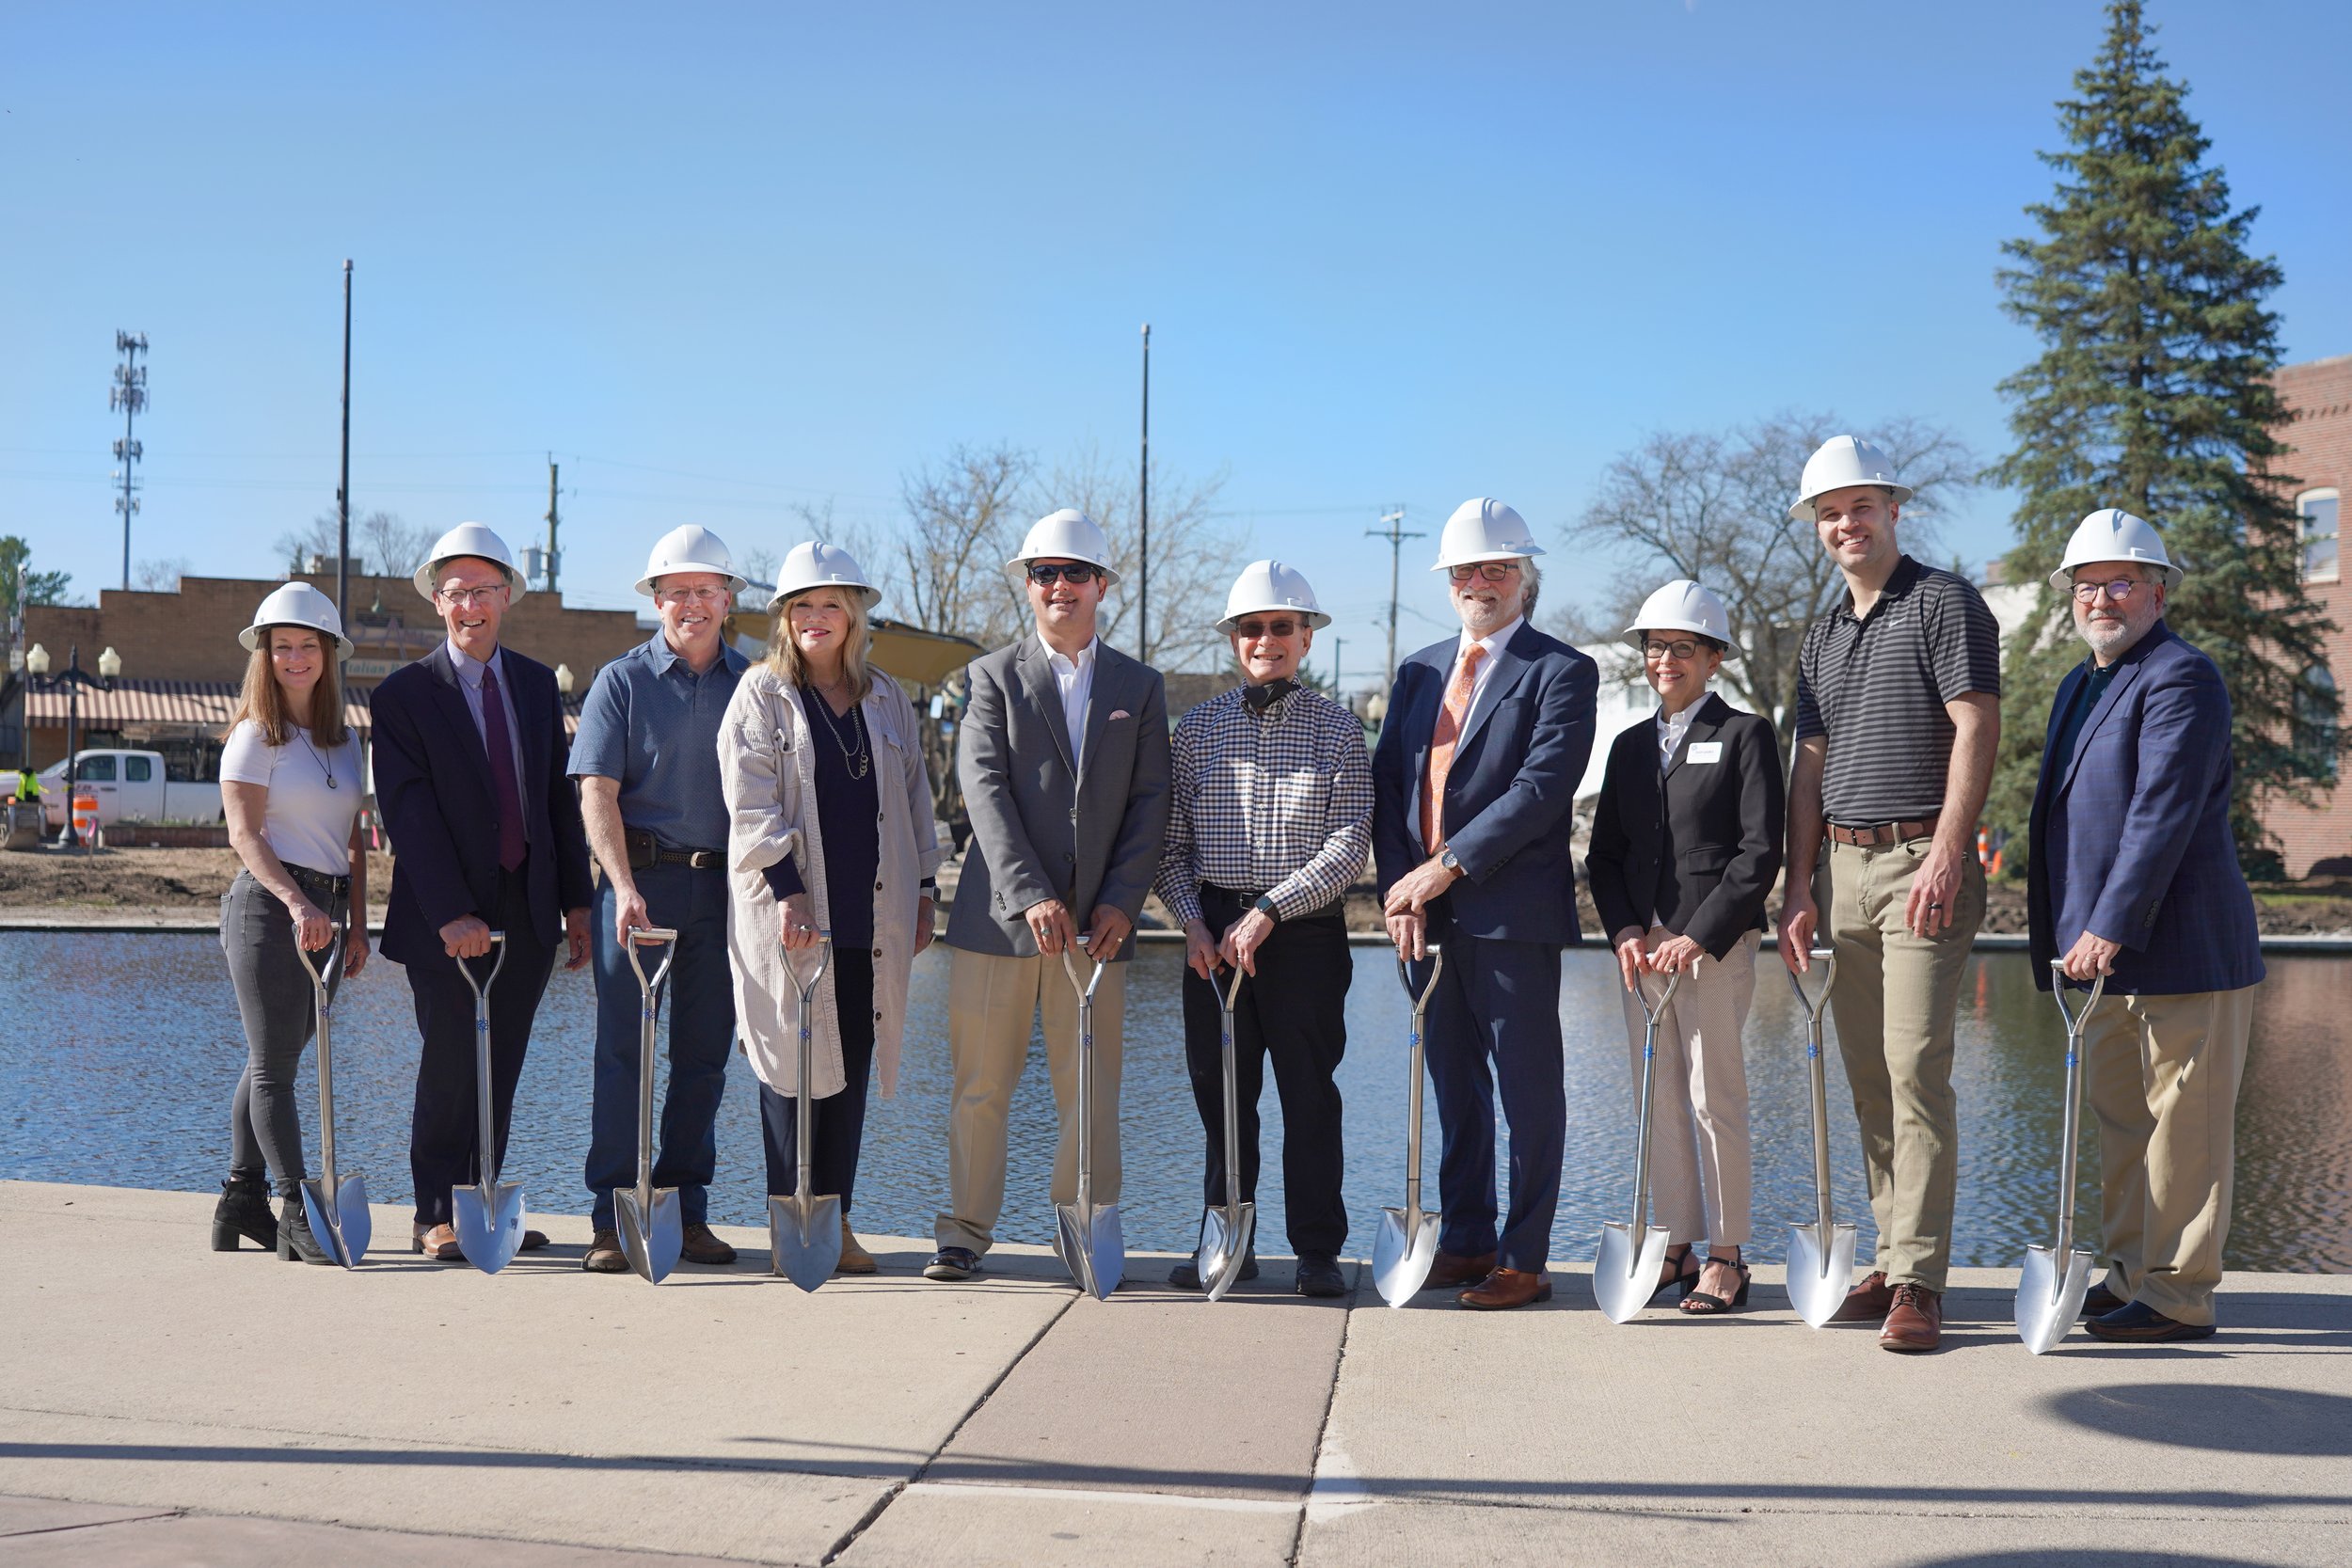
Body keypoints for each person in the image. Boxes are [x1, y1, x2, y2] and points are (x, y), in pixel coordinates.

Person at [1776, 436, 2001, 1354]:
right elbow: (1809, 764)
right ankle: (1888, 1249)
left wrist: (1950, 852)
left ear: (1892, 509)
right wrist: (1795, 881)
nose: (1844, 523)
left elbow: (1975, 723)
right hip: (1840, 871)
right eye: (1829, 513)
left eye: (1859, 506)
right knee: (1869, 1077)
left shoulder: (1944, 601)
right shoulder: (1822, 633)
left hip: (1918, 863)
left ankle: (1919, 1277)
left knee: (1913, 1069)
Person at [2028, 509, 2265, 1343]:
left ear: (2157, 594)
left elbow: (2159, 814)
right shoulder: (2078, 682)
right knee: (2124, 1126)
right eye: (2087, 586)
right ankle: (2130, 1271)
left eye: (2120, 582)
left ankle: (2178, 1293)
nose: (2101, 598)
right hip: (2098, 956)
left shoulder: (2182, 676)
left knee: (2185, 1131)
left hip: (2179, 949)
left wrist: (2109, 925)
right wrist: (2067, 933)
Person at [927, 508, 1170, 1284]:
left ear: (1102, 584)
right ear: (1028, 587)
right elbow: (984, 790)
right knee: (980, 1087)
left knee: (1091, 1094)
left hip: (1099, 929)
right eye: (1043, 574)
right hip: (999, 924)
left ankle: (1085, 1229)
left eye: (1073, 573)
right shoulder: (992, 676)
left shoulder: (1141, 684)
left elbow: (1151, 801)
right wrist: (1030, 891)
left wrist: (1123, 900)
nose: (1058, 586)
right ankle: (964, 1232)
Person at [1373, 498, 1597, 1310]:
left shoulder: (1562, 671)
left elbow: (1541, 791)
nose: (1481, 581)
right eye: (1467, 569)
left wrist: (1446, 868)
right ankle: (1467, 1241)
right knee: (1453, 1086)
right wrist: (1400, 891)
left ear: (1524, 578)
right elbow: (1390, 785)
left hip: (1511, 917)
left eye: (1498, 568)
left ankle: (1525, 1258)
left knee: (1528, 1092)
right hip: (1424, 922)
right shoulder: (1418, 671)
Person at [372, 522, 593, 1261]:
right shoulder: (403, 697)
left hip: (527, 908)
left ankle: (483, 1203)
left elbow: (557, 803)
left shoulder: (534, 684)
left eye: (485, 590)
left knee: (501, 1063)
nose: (472, 605)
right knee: (449, 1062)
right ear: (438, 602)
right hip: (448, 918)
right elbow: (409, 812)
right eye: (458, 591)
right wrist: (450, 913)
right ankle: (433, 1210)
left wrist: (577, 901)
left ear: (507, 598)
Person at [721, 542, 943, 1275]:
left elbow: (916, 800)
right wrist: (788, 890)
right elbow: (750, 805)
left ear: (853, 617)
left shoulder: (884, 697)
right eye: (803, 606)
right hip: (792, 917)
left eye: (831, 606)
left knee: (846, 1073)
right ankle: (792, 1225)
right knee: (790, 1072)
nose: (817, 617)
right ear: (786, 618)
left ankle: (835, 1220)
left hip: (868, 921)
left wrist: (925, 891)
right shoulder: (761, 694)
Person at [1152, 561, 1371, 1299]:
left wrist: (1271, 908)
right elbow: (1171, 845)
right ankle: (1229, 1242)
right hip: (1212, 933)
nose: (1266, 640)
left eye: (1282, 627)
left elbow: (1347, 844)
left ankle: (1316, 1250)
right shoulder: (1199, 729)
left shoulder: (1340, 729)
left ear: (1306, 638)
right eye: (1253, 628)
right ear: (1234, 640)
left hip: (1302, 934)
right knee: (1221, 1096)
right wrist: (1190, 920)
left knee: (1309, 1095)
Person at [1585, 580, 1784, 1315]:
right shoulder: (1631, 745)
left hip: (1714, 947)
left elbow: (1759, 853)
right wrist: (1627, 930)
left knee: (1713, 1097)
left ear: (1714, 658)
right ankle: (1676, 1246)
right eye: (1655, 647)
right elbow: (1603, 856)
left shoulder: (1745, 735)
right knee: (1659, 1099)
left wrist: (1698, 934)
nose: (1665, 659)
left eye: (1682, 648)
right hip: (1643, 953)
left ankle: (1728, 1255)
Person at [571, 526, 752, 1273]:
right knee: (624, 1055)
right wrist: (621, 887)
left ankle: (684, 1209)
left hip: (724, 889)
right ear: (654, 599)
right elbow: (597, 792)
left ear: (728, 599)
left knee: (704, 1057)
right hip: (639, 890)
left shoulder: (756, 682)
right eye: (676, 591)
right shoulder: (620, 681)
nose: (692, 604)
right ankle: (613, 1218)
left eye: (706, 590)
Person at [212, 582, 369, 1263]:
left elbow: (355, 838)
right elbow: (245, 834)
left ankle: (238, 1200)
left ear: (330, 653)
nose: (296, 657)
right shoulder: (255, 735)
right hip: (270, 909)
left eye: (309, 645)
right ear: (265, 654)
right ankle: (293, 1206)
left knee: (272, 1057)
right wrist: (298, 904)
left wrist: (358, 921)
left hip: (329, 915)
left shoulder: (342, 740)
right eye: (283, 646)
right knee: (275, 1067)